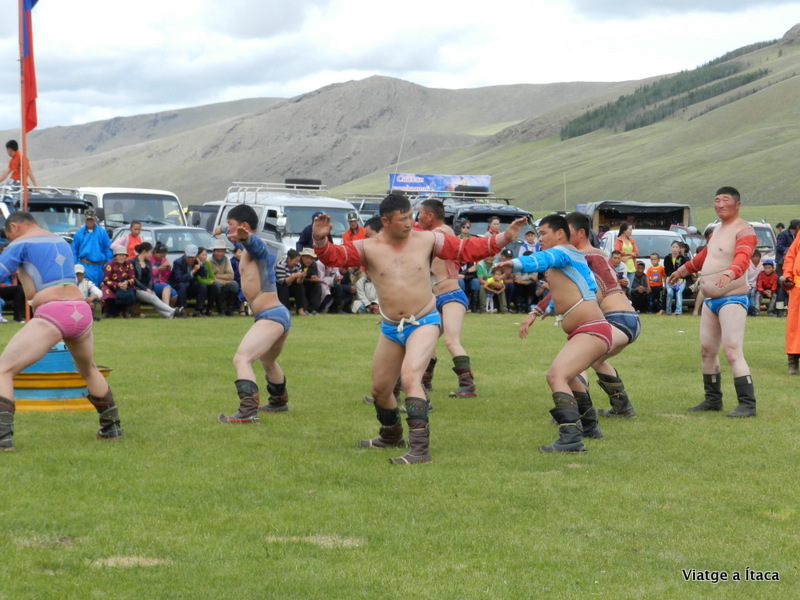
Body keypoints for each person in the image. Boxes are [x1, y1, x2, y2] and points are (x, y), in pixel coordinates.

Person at [312, 193, 526, 464]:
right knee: (380, 390)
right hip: (391, 326)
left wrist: (505, 237)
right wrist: (320, 240)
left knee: (411, 377)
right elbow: (334, 257)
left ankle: (419, 449)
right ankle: (391, 435)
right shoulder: (368, 247)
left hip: (424, 320)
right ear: (385, 221)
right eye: (402, 219)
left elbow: (465, 249)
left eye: (410, 217)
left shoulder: (428, 240)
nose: (408, 223)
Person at [0, 212, 122, 451]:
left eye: (8, 234)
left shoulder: (20, 243)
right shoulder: (61, 240)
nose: (10, 239)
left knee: (3, 369)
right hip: (80, 311)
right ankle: (112, 428)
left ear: (14, 226)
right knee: (89, 369)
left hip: (53, 313)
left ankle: (3, 438)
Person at [498, 213, 612, 453]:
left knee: (555, 376)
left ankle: (571, 437)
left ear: (560, 233)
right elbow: (582, 291)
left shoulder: (563, 252)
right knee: (568, 376)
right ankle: (589, 426)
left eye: (543, 233)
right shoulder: (571, 257)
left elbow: (543, 259)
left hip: (591, 329)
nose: (540, 238)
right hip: (591, 328)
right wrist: (541, 311)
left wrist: (515, 264)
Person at [668, 186, 758, 417]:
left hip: (732, 298)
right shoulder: (716, 229)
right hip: (710, 301)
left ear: (737, 204)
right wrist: (681, 271)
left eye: (725, 200)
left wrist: (731, 272)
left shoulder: (744, 230)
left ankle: (747, 404)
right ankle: (712, 400)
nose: (720, 204)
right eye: (717, 200)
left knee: (732, 350)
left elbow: (743, 256)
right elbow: (704, 257)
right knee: (707, 350)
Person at [218, 204, 292, 423]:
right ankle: (278, 402)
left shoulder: (257, 247)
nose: (229, 229)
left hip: (271, 316)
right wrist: (221, 229)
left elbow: (255, 244)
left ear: (244, 226)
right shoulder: (243, 245)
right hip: (277, 314)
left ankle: (248, 411)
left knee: (242, 358)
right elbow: (237, 239)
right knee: (268, 361)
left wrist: (248, 237)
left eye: (231, 225)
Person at [416, 198, 480, 398]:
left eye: (420, 213)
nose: (418, 218)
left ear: (430, 215)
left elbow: (428, 238)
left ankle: (467, 386)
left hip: (451, 295)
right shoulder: (428, 236)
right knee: (426, 341)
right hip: (434, 297)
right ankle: (424, 382)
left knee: (451, 341)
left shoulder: (444, 231)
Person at [131, 242, 178, 318]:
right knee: (153, 298)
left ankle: (169, 315)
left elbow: (150, 278)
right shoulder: (132, 262)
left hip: (148, 288)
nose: (151, 255)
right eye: (150, 252)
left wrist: (149, 289)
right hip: (137, 289)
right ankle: (172, 310)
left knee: (153, 300)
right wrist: (145, 289)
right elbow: (134, 279)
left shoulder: (148, 262)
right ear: (144, 252)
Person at [71, 209, 113, 287]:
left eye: (91, 220)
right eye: (88, 220)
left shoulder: (102, 232)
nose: (89, 222)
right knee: (87, 289)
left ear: (94, 220)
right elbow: (74, 250)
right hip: (86, 266)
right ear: (85, 220)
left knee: (101, 289)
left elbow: (107, 249)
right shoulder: (79, 233)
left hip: (101, 267)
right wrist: (77, 263)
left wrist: (108, 263)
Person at [169, 244, 209, 318]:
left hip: (190, 285)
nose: (190, 259)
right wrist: (193, 271)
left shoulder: (196, 262)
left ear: (196, 256)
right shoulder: (178, 262)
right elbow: (179, 279)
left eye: (192, 257)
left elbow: (204, 275)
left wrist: (201, 264)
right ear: (185, 255)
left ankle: (198, 310)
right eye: (189, 257)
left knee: (202, 286)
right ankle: (182, 310)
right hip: (178, 286)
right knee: (182, 285)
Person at [781, 233, 800, 374]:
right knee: (794, 327)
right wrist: (788, 276)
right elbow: (790, 256)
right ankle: (793, 362)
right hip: (798, 289)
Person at [101, 246, 137, 318]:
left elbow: (132, 278)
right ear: (115, 256)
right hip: (112, 286)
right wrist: (118, 284)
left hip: (125, 286)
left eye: (123, 255)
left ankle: (126, 312)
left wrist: (126, 283)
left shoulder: (129, 264)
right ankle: (108, 312)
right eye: (119, 255)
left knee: (132, 290)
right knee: (106, 290)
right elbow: (106, 280)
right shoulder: (109, 265)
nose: (121, 257)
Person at [208, 239, 239, 316]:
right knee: (217, 286)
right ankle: (220, 309)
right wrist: (224, 282)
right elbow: (210, 278)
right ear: (214, 251)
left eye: (222, 251)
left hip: (222, 283)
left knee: (234, 285)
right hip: (212, 286)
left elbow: (231, 276)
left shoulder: (226, 259)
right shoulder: (209, 261)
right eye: (218, 251)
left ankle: (229, 309)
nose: (220, 254)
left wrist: (217, 275)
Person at [275, 249, 308, 316]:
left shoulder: (298, 265)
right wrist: (295, 276)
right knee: (283, 288)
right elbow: (283, 281)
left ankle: (300, 309)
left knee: (300, 287)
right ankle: (286, 310)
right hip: (279, 287)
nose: (297, 263)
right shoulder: (280, 265)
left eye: (298, 261)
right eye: (295, 261)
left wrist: (301, 277)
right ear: (289, 259)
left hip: (291, 285)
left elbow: (298, 282)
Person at [663, 241, 688, 316]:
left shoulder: (682, 258)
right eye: (673, 247)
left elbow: (684, 271)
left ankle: (678, 311)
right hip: (670, 279)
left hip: (681, 280)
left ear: (680, 249)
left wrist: (680, 280)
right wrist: (671, 281)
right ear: (671, 248)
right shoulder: (667, 258)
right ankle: (668, 311)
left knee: (678, 291)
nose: (674, 249)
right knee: (670, 293)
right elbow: (667, 271)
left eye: (676, 247)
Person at [149, 242, 177, 308]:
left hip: (162, 282)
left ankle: (169, 309)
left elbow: (166, 277)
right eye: (160, 256)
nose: (162, 258)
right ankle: (167, 310)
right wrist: (158, 269)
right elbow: (149, 274)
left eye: (164, 256)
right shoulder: (149, 260)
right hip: (152, 283)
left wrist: (168, 269)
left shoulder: (164, 260)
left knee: (174, 295)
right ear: (155, 252)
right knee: (166, 286)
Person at [299, 248, 322, 313]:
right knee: (300, 287)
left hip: (309, 283)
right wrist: (309, 280)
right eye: (307, 258)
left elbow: (314, 275)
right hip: (299, 283)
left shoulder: (313, 264)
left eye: (311, 258)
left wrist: (315, 278)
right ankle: (304, 308)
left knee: (317, 285)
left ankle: (313, 309)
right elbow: (297, 279)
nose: (309, 260)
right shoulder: (298, 264)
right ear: (302, 257)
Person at [745, 249, 763, 316]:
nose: (755, 258)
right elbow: (745, 276)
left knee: (752, 293)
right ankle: (747, 309)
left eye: (756, 256)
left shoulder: (762, 265)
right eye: (753, 257)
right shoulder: (747, 264)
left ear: (759, 257)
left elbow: (761, 278)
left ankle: (753, 309)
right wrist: (748, 285)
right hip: (747, 284)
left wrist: (754, 285)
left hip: (757, 284)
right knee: (747, 294)